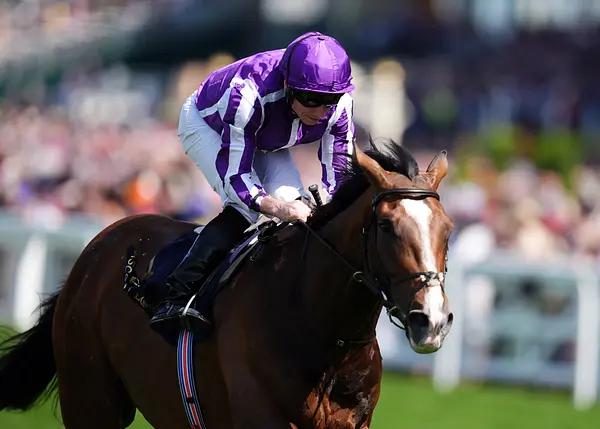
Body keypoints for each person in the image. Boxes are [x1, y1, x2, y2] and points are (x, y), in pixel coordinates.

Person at [149, 31, 357, 339]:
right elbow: (237, 177)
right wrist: (276, 207)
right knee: (246, 208)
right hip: (208, 125)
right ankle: (177, 294)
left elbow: (341, 177)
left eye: (329, 101)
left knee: (300, 205)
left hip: (266, 136)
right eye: (312, 100)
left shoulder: (340, 103)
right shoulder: (247, 94)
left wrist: (325, 209)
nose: (320, 112)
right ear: (287, 85)